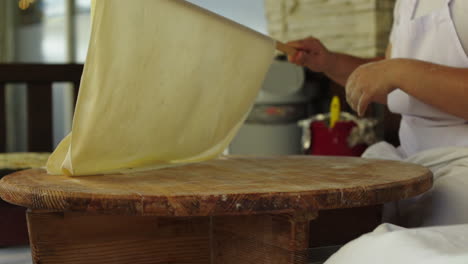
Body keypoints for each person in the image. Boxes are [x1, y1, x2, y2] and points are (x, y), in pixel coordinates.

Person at [288, 0, 468, 227]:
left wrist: (399, 72)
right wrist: (330, 63)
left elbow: (397, 74)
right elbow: (392, 85)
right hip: (409, 161)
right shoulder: (406, 4)